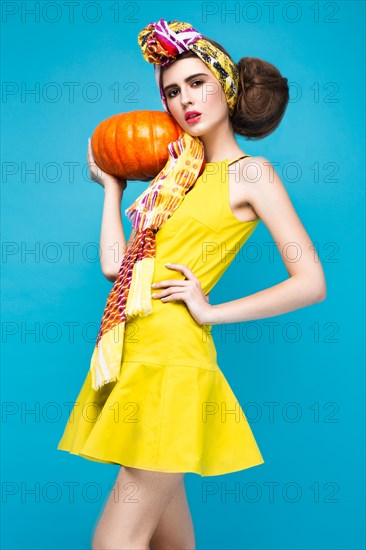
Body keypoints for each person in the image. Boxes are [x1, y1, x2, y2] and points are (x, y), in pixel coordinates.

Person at [58, 19, 326, 550]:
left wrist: (211, 311)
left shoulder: (252, 174)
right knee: (171, 542)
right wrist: (111, 189)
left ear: (225, 86)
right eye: (172, 91)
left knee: (114, 541)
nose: (186, 100)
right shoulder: (177, 174)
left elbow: (311, 281)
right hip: (139, 352)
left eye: (198, 83)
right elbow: (118, 266)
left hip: (173, 365)